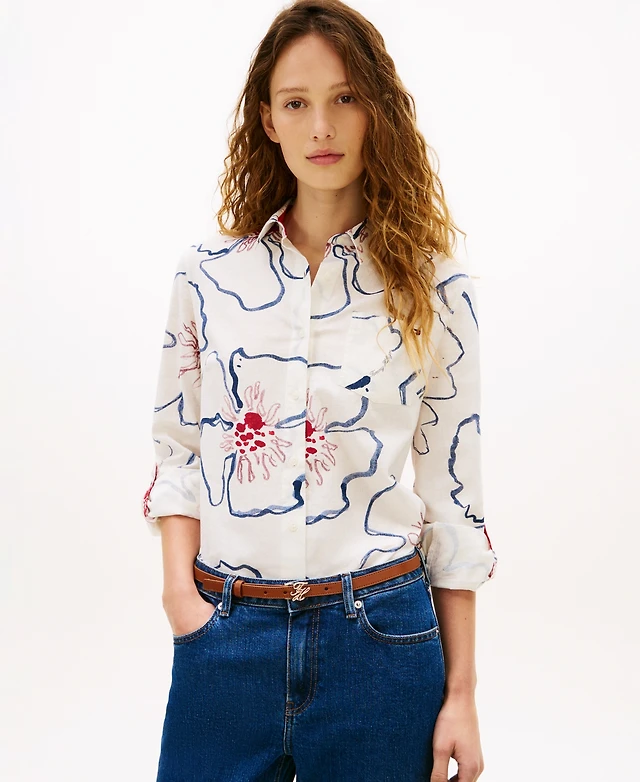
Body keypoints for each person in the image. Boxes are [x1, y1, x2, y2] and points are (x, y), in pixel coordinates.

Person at [142, 1, 497, 780]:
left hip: (381, 643)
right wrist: (182, 603)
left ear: (378, 109)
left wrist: (462, 694)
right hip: (224, 639)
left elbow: (453, 499)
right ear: (267, 120)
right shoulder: (208, 275)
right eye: (296, 103)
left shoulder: (437, 285)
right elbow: (178, 451)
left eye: (345, 98)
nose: (322, 128)